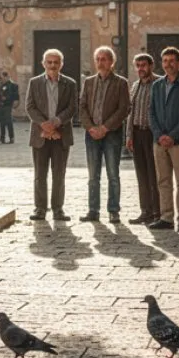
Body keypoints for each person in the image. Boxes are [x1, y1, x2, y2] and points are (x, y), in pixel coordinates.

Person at [78, 46, 131, 223]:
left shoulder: (121, 83)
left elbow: (124, 109)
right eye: (98, 59)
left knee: (113, 174)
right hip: (91, 134)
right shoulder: (89, 82)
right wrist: (91, 127)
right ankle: (93, 210)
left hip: (112, 135)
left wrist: (105, 128)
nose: (101, 62)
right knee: (93, 176)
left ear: (111, 62)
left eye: (104, 59)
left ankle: (114, 210)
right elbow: (82, 107)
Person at [148, 47, 179, 233]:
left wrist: (172, 136)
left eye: (172, 61)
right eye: (165, 61)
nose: (168, 64)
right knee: (163, 180)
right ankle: (166, 218)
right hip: (159, 141)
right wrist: (160, 135)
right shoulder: (157, 85)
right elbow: (151, 112)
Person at [26, 49, 77, 221]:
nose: (53, 65)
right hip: (40, 135)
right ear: (43, 64)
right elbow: (30, 107)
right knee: (40, 174)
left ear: (61, 64)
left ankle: (58, 209)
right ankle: (40, 209)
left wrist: (55, 124)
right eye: (49, 62)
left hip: (61, 135)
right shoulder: (34, 83)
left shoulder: (70, 83)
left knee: (59, 174)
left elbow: (71, 108)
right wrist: (44, 126)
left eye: (56, 62)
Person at [126, 53, 160, 225]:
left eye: (143, 65)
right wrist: (129, 136)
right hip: (137, 133)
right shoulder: (134, 86)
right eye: (137, 65)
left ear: (151, 65)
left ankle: (157, 213)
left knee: (154, 174)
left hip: (152, 134)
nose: (140, 68)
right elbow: (130, 113)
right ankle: (145, 211)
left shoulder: (159, 84)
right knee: (141, 175)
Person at [0, 70, 19, 143]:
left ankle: (11, 138)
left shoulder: (13, 85)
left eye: (3, 78)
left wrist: (8, 99)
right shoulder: (1, 85)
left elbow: (15, 96)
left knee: (9, 122)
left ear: (6, 77)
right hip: (1, 106)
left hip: (8, 105)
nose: (2, 79)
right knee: (2, 122)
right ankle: (2, 138)